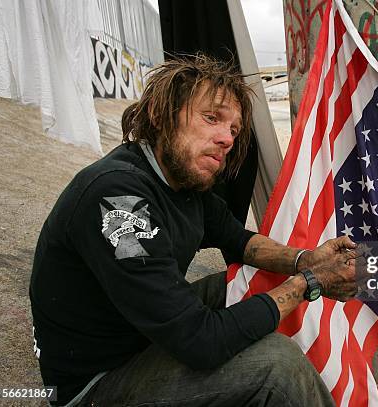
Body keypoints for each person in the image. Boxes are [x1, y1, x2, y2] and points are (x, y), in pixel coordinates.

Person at [29, 53, 359, 406]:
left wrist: (306, 260)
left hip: (142, 335)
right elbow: (201, 343)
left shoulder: (183, 183)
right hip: (96, 381)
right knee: (275, 364)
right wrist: (309, 282)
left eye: (233, 129)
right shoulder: (117, 198)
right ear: (160, 115)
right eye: (211, 118)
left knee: (256, 278)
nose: (227, 139)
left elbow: (241, 241)